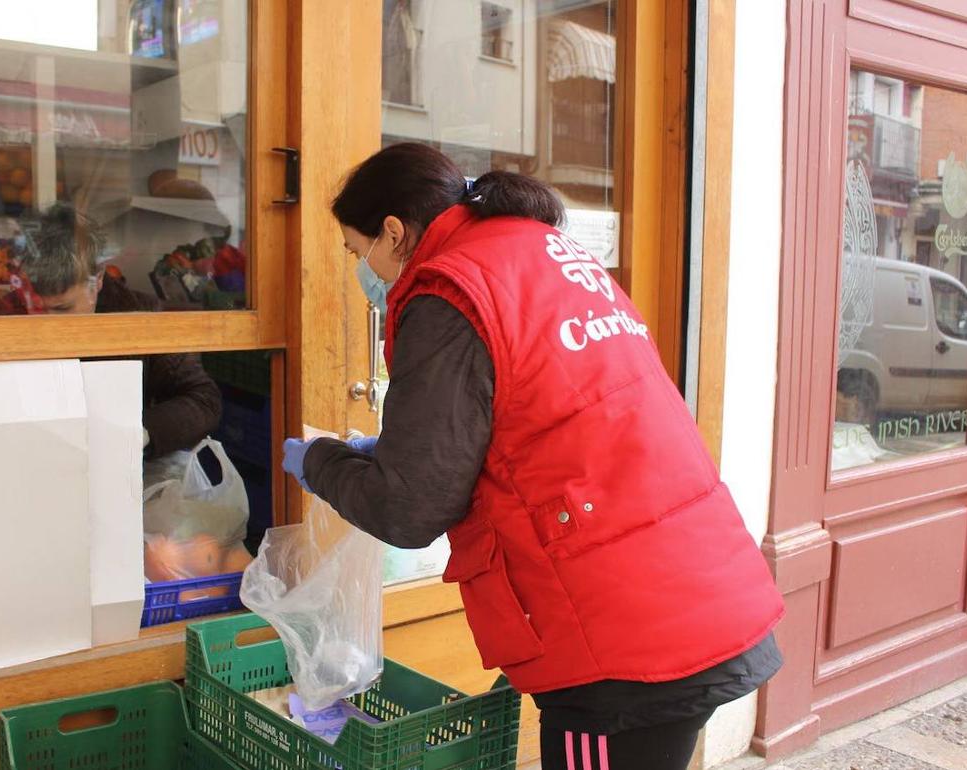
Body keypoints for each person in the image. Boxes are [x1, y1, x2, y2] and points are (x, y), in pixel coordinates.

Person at [281, 143, 785, 770]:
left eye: (361, 255)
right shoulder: (549, 256)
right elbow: (541, 421)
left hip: (617, 639)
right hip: (691, 587)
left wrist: (322, 463)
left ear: (393, 232)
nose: (367, 276)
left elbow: (408, 513)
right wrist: (395, 451)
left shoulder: (450, 292)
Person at [0, 203, 222, 460]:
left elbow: (204, 400)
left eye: (63, 308)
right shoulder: (4, 311)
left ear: (97, 279)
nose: (51, 322)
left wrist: (137, 433)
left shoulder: (139, 315)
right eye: (39, 308)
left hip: (113, 468)